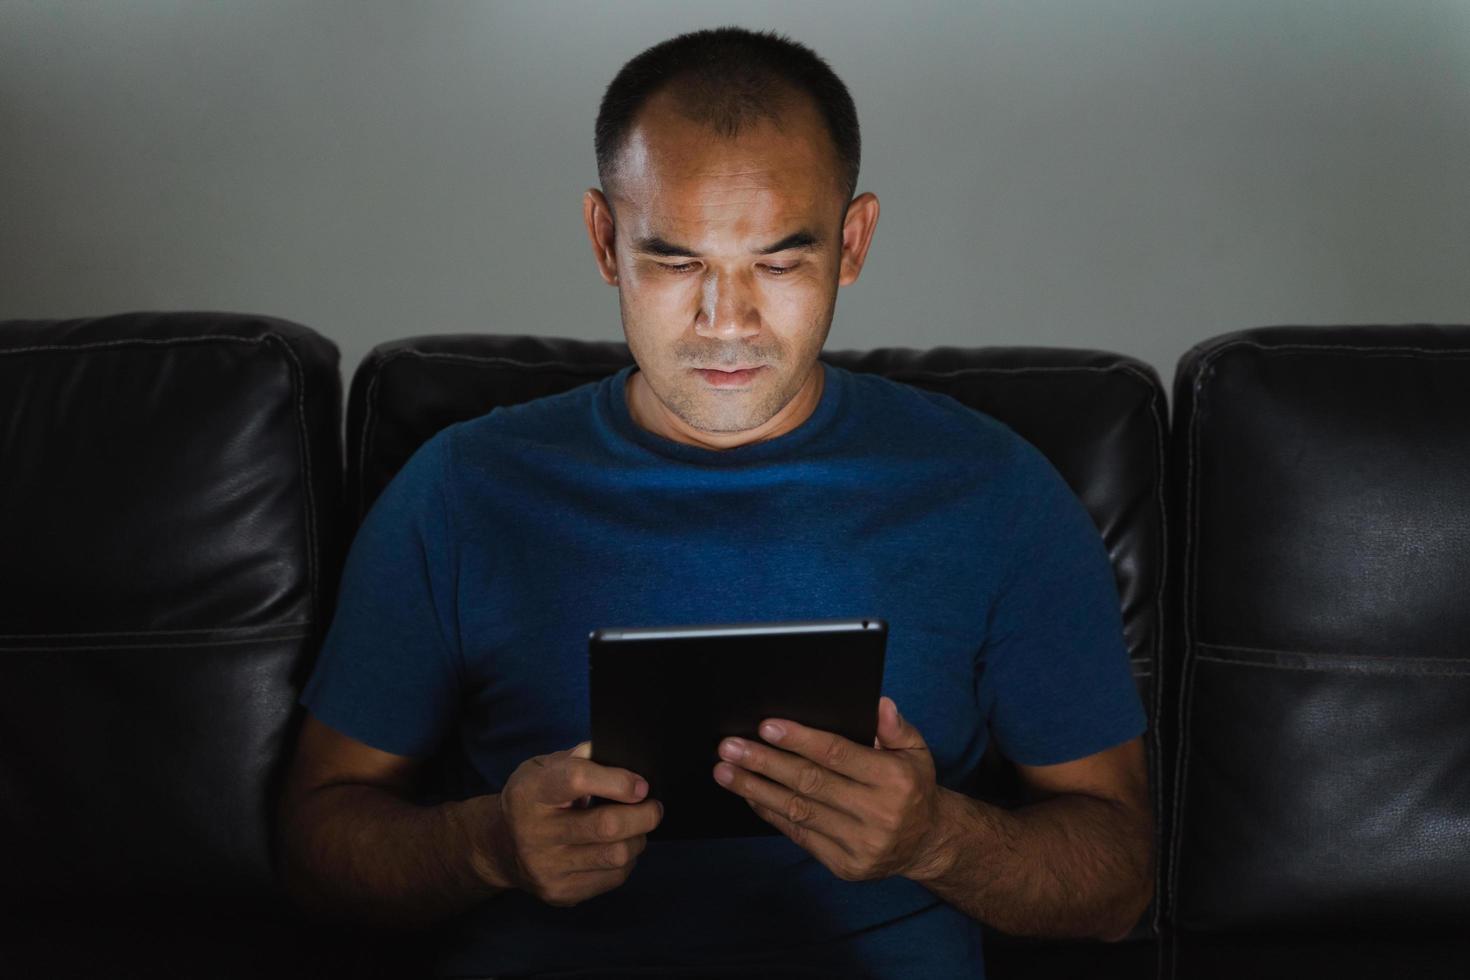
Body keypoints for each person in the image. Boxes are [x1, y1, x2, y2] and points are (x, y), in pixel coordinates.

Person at [276, 26, 1153, 979]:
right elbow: (316, 851)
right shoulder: (461, 491)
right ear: (606, 241)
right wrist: (485, 846)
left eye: (778, 264)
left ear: (852, 243)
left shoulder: (997, 494)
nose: (725, 323)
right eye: (676, 261)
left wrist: (937, 839)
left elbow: (1120, 884)